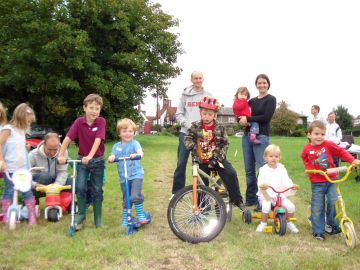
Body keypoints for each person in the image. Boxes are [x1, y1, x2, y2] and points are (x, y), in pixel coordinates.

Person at [184, 96, 247, 212]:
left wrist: (216, 158)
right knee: (201, 183)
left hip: (217, 159)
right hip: (201, 160)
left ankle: (237, 200)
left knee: (231, 173)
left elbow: (225, 143)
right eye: (204, 114)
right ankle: (203, 207)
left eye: (210, 114)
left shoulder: (220, 127)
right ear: (200, 113)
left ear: (214, 115)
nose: (207, 117)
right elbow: (187, 139)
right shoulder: (195, 126)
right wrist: (194, 151)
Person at [301, 120, 360, 240]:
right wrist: (309, 169)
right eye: (316, 134)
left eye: (322, 134)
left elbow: (340, 151)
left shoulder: (328, 144)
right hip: (317, 182)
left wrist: (351, 160)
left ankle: (331, 225)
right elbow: (305, 158)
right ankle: (318, 231)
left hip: (332, 179)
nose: (319, 137)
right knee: (318, 206)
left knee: (333, 202)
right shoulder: (307, 148)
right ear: (309, 135)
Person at [58, 94, 106, 230]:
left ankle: (98, 219)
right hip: (82, 160)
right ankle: (81, 214)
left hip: (97, 161)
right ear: (84, 108)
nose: (94, 111)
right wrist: (61, 155)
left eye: (97, 108)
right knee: (79, 187)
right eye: (91, 108)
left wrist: (90, 156)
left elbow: (98, 140)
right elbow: (68, 138)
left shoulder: (101, 121)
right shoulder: (79, 122)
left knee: (97, 189)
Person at [172, 71, 212, 197]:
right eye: (196, 78)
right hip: (186, 134)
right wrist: (188, 125)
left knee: (203, 166)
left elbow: (212, 114)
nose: (198, 80)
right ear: (192, 80)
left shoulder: (208, 95)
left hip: (202, 135)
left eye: (200, 78)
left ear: (203, 79)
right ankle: (176, 193)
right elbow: (178, 114)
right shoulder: (185, 95)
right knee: (181, 163)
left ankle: (202, 196)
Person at [239, 74, 276, 208]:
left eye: (264, 83)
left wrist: (247, 119)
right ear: (256, 84)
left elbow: (265, 117)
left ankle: (264, 202)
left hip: (261, 137)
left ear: (268, 84)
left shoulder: (271, 99)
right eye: (259, 83)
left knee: (262, 169)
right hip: (247, 136)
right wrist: (241, 119)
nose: (262, 85)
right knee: (249, 170)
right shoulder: (252, 101)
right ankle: (250, 199)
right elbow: (242, 112)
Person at [108, 118, 150, 227]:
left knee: (135, 195)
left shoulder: (135, 143)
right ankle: (126, 220)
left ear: (134, 133)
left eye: (130, 131)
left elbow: (140, 152)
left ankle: (140, 215)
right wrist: (111, 158)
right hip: (124, 177)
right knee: (126, 199)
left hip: (136, 175)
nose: (127, 134)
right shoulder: (116, 146)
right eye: (124, 131)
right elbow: (112, 155)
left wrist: (137, 155)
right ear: (119, 133)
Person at [0, 103, 37, 224]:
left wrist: (25, 147)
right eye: (28, 121)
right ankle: (6, 216)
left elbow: (16, 149)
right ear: (21, 117)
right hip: (10, 168)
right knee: (9, 190)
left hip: (22, 169)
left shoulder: (21, 131)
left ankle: (32, 215)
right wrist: (1, 161)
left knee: (27, 190)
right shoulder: (8, 129)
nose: (29, 124)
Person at [255, 144, 299, 233]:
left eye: (276, 156)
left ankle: (289, 222)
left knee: (291, 207)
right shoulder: (263, 169)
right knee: (266, 206)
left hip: (279, 194)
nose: (273, 158)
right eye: (271, 156)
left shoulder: (281, 168)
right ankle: (263, 223)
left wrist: (292, 186)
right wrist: (263, 185)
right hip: (267, 194)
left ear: (279, 157)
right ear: (265, 157)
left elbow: (286, 179)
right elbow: (260, 181)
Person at [29, 132, 70, 208]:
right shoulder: (33, 155)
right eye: (49, 149)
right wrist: (35, 185)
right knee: (45, 176)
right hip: (38, 185)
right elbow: (24, 176)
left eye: (55, 149)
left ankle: (65, 203)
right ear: (44, 144)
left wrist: (56, 185)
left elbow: (63, 172)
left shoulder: (63, 152)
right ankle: (34, 199)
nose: (52, 153)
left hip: (54, 182)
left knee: (71, 182)